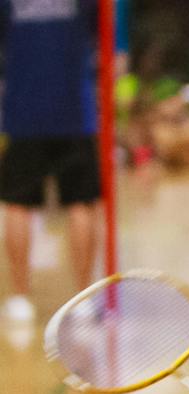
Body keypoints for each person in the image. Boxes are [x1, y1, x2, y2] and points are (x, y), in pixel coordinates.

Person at [1, 0, 102, 327]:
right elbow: (106, 42)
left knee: (19, 203)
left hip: (25, 111)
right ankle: (84, 296)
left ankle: (20, 297)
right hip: (73, 112)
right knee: (79, 203)